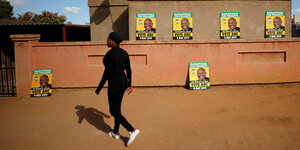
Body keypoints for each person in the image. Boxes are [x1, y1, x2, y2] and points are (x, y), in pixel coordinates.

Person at [95, 32, 140, 146]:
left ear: (113, 41)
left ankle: (132, 130)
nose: (107, 41)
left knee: (113, 111)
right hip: (123, 84)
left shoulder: (109, 55)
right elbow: (128, 70)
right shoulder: (125, 53)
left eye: (108, 39)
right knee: (117, 109)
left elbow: (107, 73)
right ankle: (116, 132)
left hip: (114, 85)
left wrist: (99, 87)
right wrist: (129, 84)